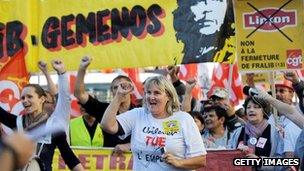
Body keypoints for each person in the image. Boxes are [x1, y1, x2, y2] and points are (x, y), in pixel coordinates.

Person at [101, 75, 206, 170]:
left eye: (157, 93)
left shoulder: (183, 119)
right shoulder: (137, 115)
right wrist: (118, 97)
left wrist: (179, 162)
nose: (151, 97)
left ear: (168, 96)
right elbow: (107, 126)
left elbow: (201, 160)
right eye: (148, 92)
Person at [0, 60, 83, 171]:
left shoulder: (54, 126)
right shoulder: (18, 122)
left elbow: (69, 158)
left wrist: (62, 73)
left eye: (29, 97)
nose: (25, 100)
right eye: (23, 98)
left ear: (42, 99)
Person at [74, 56, 134, 153]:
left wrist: (130, 146)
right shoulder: (103, 109)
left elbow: (153, 139)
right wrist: (82, 69)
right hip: (109, 165)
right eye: (115, 88)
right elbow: (79, 94)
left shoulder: (141, 111)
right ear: (112, 92)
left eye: (123, 86)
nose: (120, 90)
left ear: (131, 89)